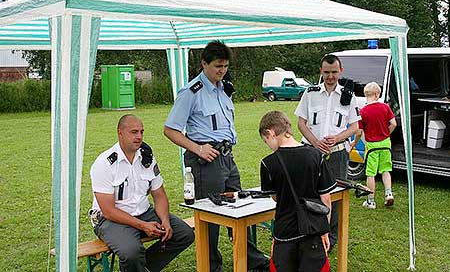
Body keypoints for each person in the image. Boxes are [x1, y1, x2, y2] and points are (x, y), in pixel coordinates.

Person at [164, 40, 269, 272]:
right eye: (217, 66)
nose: (222, 70)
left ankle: (253, 261)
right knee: (210, 214)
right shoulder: (192, 92)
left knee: (242, 207)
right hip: (205, 160)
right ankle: (211, 266)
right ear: (204, 63)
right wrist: (197, 148)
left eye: (225, 66)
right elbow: (170, 129)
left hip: (226, 158)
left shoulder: (223, 89)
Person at [89, 114, 194, 272]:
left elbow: (159, 195)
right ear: (120, 133)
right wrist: (143, 225)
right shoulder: (104, 163)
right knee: (131, 252)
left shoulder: (147, 158)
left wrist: (165, 221)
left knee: (184, 233)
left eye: (141, 132)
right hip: (111, 219)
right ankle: (137, 266)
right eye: (134, 132)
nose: (139, 136)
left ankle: (144, 268)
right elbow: (108, 211)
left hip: (143, 212)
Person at [294, 54, 360, 248]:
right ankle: (308, 232)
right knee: (308, 192)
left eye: (334, 72)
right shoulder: (310, 93)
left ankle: (330, 238)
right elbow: (301, 123)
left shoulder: (349, 96)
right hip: (311, 151)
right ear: (321, 72)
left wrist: (337, 138)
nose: (330, 76)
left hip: (337, 153)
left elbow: (354, 127)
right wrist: (315, 142)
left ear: (341, 71)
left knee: (335, 195)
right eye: (326, 72)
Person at [259, 111, 336, 272]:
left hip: (284, 232)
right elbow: (326, 199)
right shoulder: (317, 156)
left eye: (266, 140)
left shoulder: (268, 163)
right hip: (313, 232)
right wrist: (324, 231)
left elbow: (275, 197)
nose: (268, 145)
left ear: (270, 133)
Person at [351, 82, 396, 209]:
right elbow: (393, 124)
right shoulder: (385, 107)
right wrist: (386, 134)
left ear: (367, 95)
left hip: (372, 146)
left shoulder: (363, 111)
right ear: (377, 95)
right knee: (386, 170)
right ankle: (388, 194)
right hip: (386, 143)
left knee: (370, 173)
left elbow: (359, 132)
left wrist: (354, 143)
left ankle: (371, 201)